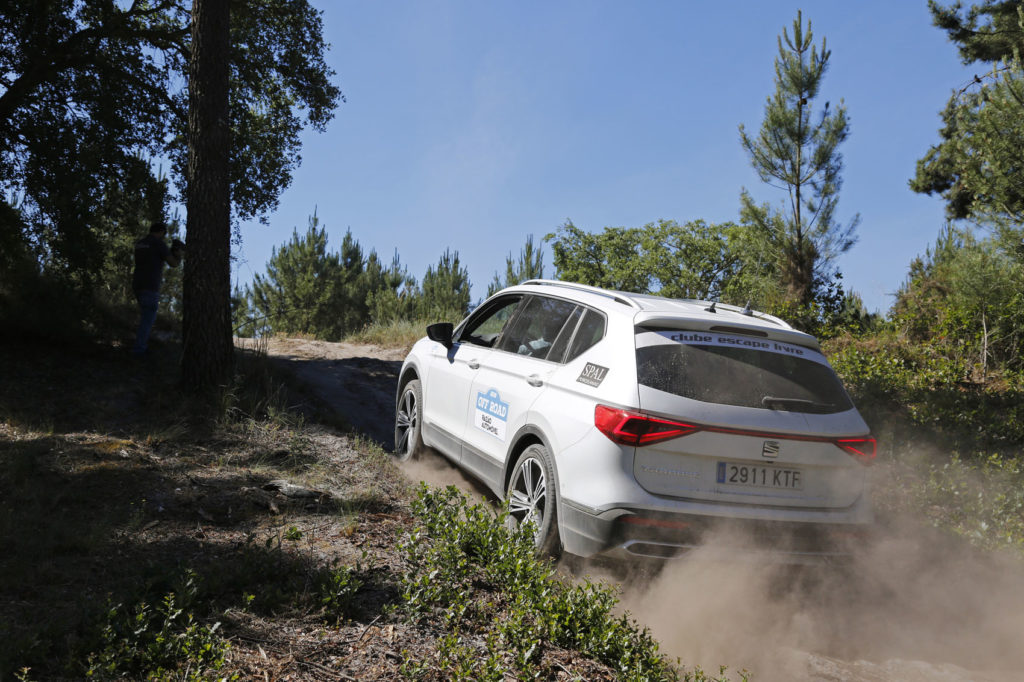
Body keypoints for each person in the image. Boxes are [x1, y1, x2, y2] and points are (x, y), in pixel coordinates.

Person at [131, 221, 184, 355]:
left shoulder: (140, 244)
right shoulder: (158, 244)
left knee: (144, 317)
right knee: (147, 320)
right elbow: (173, 263)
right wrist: (178, 254)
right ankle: (139, 350)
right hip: (150, 285)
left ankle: (139, 346)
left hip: (137, 284)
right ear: (161, 232)